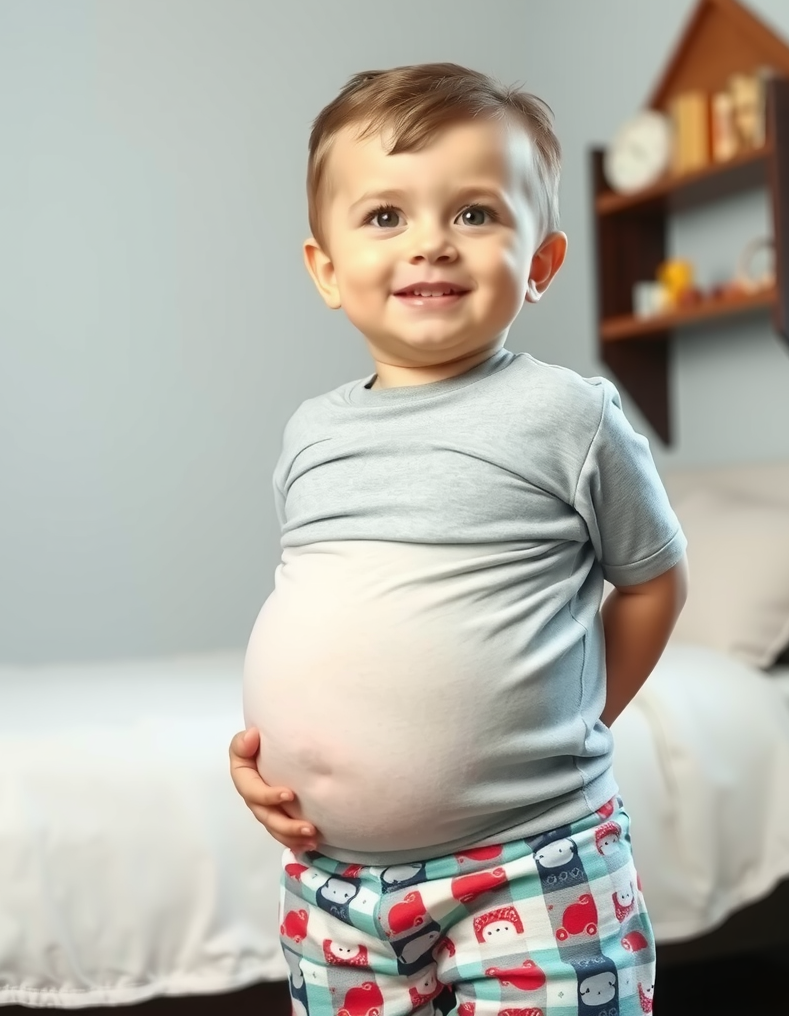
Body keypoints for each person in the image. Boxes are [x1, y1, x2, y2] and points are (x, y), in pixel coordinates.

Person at [229, 62, 688, 1016]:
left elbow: (653, 583)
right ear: (325, 268)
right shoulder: (311, 431)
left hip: (529, 861)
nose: (431, 243)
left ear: (541, 264)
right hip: (335, 886)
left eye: (475, 215)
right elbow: (327, 614)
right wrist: (269, 759)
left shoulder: (567, 415)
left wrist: (588, 713)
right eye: (385, 216)